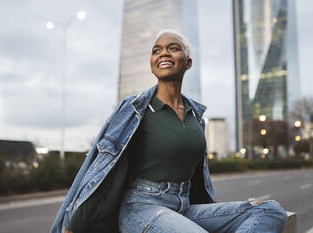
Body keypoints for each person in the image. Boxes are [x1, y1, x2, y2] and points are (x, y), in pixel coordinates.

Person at [51, 30, 288, 233]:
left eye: (173, 48)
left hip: (183, 206)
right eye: (156, 50)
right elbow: (102, 168)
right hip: (141, 207)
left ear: (188, 62)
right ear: (152, 62)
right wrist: (73, 225)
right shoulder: (135, 109)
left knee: (270, 210)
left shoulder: (195, 115)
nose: (163, 53)